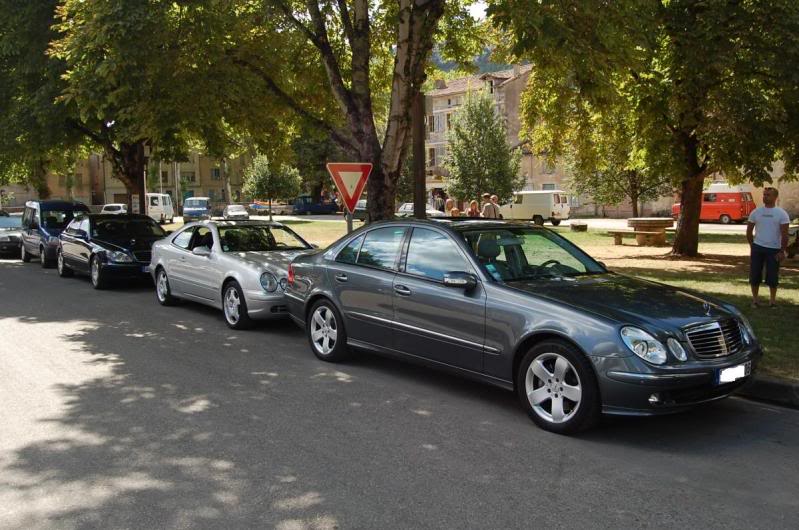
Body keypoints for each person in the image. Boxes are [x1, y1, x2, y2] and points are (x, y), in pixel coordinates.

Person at [747, 187, 790, 308]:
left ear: (775, 197)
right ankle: (755, 300)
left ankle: (772, 301)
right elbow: (749, 231)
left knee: (772, 275)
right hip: (758, 248)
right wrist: (753, 246)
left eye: (768, 195)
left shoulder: (781, 214)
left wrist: (782, 251)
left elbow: (785, 235)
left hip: (774, 250)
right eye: (764, 195)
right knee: (755, 274)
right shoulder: (756, 212)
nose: (765, 197)